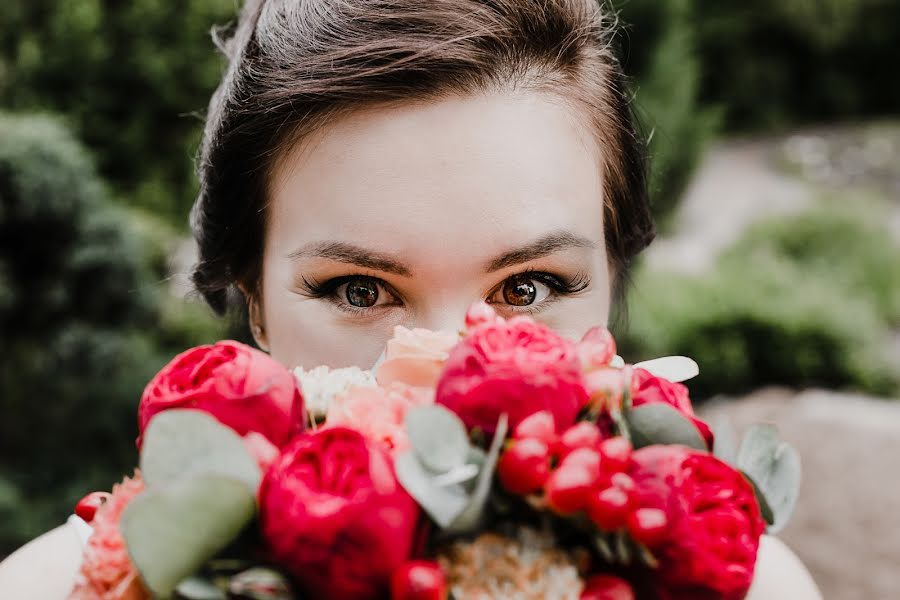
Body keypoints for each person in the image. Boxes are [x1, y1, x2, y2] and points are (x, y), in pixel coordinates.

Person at [0, 1, 822, 597]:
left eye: (527, 288)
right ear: (250, 296)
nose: (443, 379)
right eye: (360, 290)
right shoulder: (61, 590)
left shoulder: (751, 587)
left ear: (610, 274)